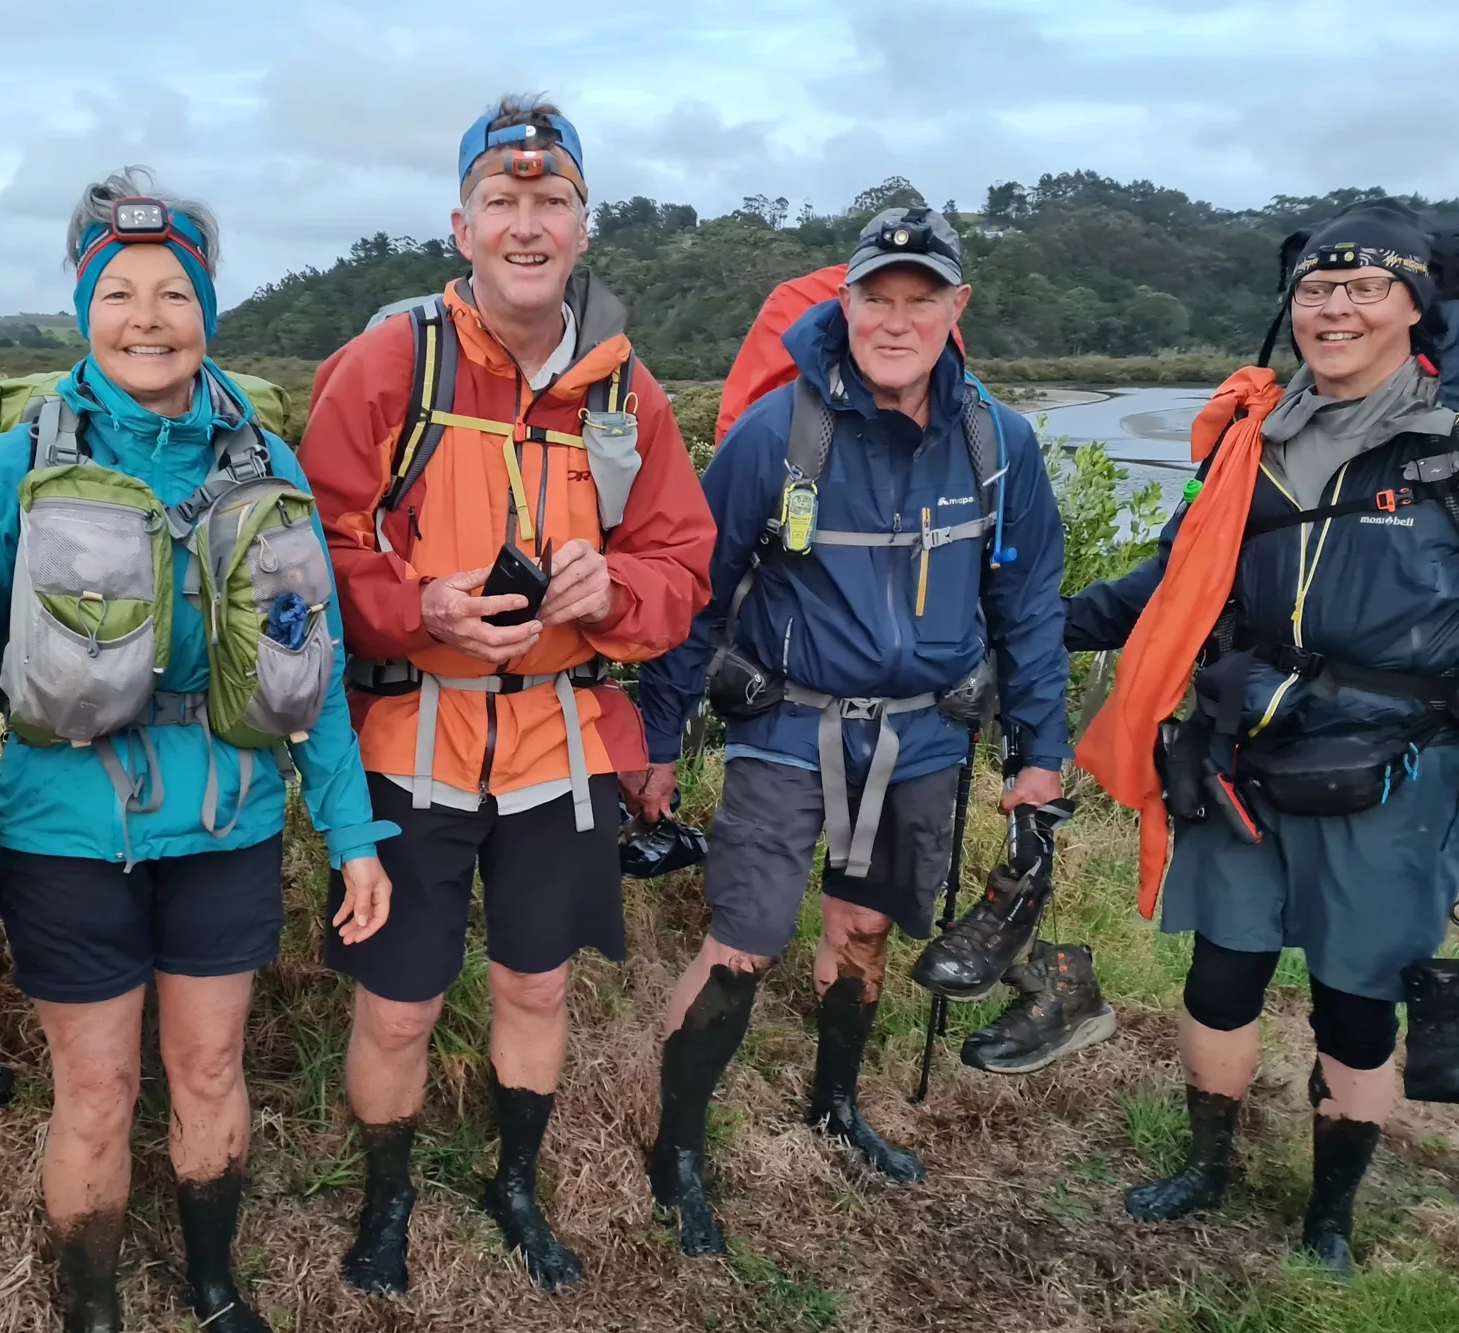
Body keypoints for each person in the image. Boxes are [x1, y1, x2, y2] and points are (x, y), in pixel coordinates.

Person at [0, 167, 398, 1333]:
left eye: (171, 293)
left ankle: (214, 1289)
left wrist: (354, 832)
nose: (145, 317)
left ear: (206, 309)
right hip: (65, 829)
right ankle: (91, 1309)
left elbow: (304, 666)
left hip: (229, 822)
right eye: (117, 292)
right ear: (83, 308)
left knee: (211, 1069)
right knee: (95, 1089)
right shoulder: (9, 466)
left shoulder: (267, 468)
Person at [299, 95, 714, 1295]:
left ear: (584, 226)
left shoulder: (624, 393)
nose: (525, 224)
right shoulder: (387, 368)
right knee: (396, 1005)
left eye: (550, 203)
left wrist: (610, 590)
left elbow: (681, 568)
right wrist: (412, 607)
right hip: (407, 739)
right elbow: (307, 558)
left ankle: (513, 1183)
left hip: (562, 740)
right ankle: (386, 1203)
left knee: (536, 984)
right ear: (460, 225)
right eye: (502, 202)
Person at [631, 207, 1072, 1253]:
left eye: (922, 299)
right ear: (847, 302)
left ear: (955, 310)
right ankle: (676, 1152)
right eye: (878, 296)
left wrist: (1038, 749)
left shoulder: (994, 443)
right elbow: (698, 589)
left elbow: (1030, 601)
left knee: (864, 930)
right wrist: (656, 735)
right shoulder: (772, 434)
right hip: (787, 728)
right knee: (740, 942)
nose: (896, 318)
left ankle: (834, 1105)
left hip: (922, 739)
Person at [1071, 199, 1459, 1280]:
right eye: (1313, 290)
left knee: (1356, 1000)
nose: (1332, 307)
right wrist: (1033, 623)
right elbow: (1167, 582)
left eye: (1362, 287)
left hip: (1392, 778)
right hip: (1238, 763)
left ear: (1412, 305)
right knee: (1218, 979)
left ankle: (1327, 1215)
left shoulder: (1443, 445)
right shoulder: (1251, 440)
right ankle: (1206, 1165)